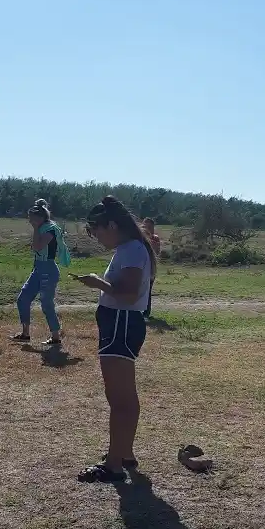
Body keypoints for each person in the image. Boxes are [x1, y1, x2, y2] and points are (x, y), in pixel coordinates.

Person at [73, 196, 156, 484]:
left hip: (122, 323)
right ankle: (124, 453)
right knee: (122, 397)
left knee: (121, 400)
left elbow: (129, 294)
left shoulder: (132, 249)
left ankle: (113, 465)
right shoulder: (129, 248)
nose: (97, 239)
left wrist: (97, 282)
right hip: (119, 324)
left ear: (111, 225)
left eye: (97, 232)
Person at [13, 199, 69, 345]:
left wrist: (36, 228)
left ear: (40, 217)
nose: (29, 221)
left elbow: (37, 247)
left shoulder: (49, 229)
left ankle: (55, 337)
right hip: (38, 269)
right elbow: (35, 247)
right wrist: (36, 229)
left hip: (48, 270)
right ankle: (25, 334)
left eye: (31, 218)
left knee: (46, 303)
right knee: (23, 298)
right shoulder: (41, 228)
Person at [141, 217, 162, 319]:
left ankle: (146, 313)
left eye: (151, 227)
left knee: (147, 290)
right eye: (146, 227)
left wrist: (153, 245)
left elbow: (157, 252)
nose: (149, 229)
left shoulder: (155, 238)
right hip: (140, 268)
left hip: (150, 269)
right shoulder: (139, 238)